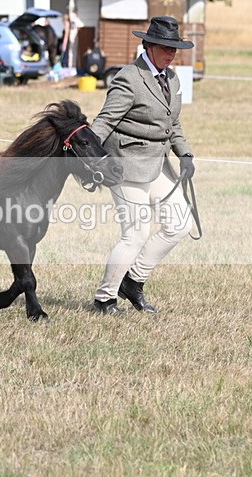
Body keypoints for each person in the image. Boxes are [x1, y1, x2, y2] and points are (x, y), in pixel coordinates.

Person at [89, 16, 196, 315]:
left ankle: (133, 281)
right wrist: (89, 157)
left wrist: (185, 154)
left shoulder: (172, 79)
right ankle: (105, 299)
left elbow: (173, 123)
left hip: (157, 164)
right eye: (165, 47)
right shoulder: (129, 78)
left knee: (180, 224)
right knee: (135, 234)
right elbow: (105, 121)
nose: (171, 53)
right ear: (148, 45)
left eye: (175, 48)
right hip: (125, 164)